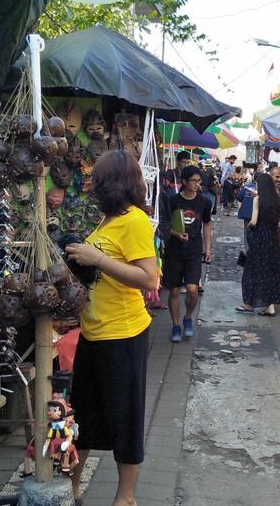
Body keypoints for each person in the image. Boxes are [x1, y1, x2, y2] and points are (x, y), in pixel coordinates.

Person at [64, 150, 159, 506]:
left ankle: (126, 497)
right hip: (93, 332)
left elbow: (148, 278)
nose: (91, 184)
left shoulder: (134, 221)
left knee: (125, 415)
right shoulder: (107, 220)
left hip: (124, 334)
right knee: (84, 413)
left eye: (97, 178)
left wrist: (98, 259)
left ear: (113, 182)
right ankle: (72, 486)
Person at [163, 165, 213, 342]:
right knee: (175, 291)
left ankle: (188, 317)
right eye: (193, 180)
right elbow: (166, 225)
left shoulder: (204, 202)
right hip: (174, 251)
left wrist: (208, 249)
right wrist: (176, 234)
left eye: (199, 181)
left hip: (193, 250)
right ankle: (176, 325)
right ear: (184, 181)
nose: (197, 184)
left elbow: (207, 224)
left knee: (192, 290)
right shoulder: (173, 200)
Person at [236, 172, 280, 315]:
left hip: (259, 239)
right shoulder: (277, 201)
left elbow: (253, 221)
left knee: (252, 270)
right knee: (270, 271)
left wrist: (250, 228)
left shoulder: (258, 200)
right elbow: (278, 223)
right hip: (272, 240)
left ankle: (249, 304)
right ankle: (270, 306)